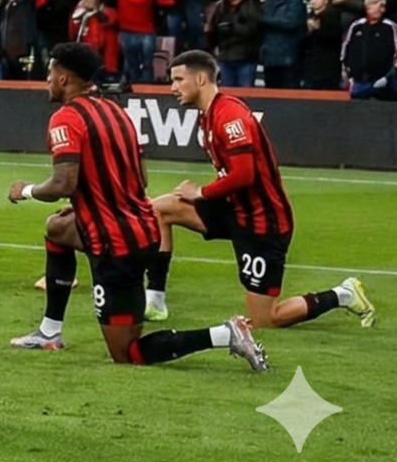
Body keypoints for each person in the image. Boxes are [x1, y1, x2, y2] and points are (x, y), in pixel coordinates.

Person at [4, 44, 269, 371]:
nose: (46, 80)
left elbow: (63, 184)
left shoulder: (66, 118)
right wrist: (87, 207)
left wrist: (25, 191)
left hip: (115, 243)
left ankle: (224, 334)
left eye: (49, 74)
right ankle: (49, 332)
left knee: (126, 353)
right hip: (143, 229)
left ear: (63, 79)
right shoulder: (117, 111)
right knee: (57, 229)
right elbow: (140, 179)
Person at [146, 51, 374, 332]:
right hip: (235, 210)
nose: (173, 87)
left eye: (179, 79)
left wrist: (202, 192)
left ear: (201, 78)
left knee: (266, 320)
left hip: (263, 221)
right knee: (159, 209)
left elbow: (245, 174)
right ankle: (154, 301)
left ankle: (343, 294)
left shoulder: (230, 114)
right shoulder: (207, 115)